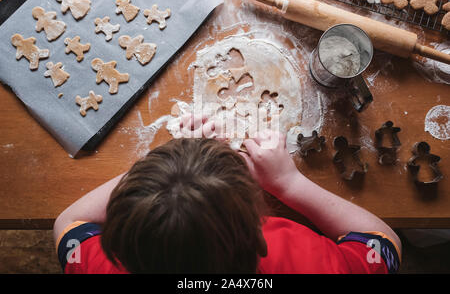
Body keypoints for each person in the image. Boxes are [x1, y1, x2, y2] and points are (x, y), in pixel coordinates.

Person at [53, 114, 401, 274]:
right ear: (257, 230)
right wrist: (289, 184)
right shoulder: (302, 260)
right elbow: (383, 244)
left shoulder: (104, 267)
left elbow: (70, 222)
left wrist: (168, 159)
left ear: (121, 242)